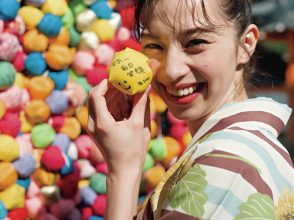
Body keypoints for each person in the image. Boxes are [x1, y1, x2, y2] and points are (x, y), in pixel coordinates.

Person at [87, 0, 294, 219]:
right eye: (155, 46)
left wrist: (122, 172)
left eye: (195, 42)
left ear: (246, 44)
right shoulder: (242, 149)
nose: (172, 70)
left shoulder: (229, 165)